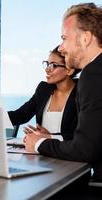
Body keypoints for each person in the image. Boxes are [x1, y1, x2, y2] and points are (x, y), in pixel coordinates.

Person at [25, 3, 102, 182]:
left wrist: (38, 143)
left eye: (64, 38)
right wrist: (51, 137)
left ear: (85, 38)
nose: (61, 47)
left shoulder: (93, 74)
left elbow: (85, 150)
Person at [8, 46, 80, 141]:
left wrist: (49, 136)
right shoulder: (44, 89)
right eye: (47, 64)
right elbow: (21, 115)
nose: (47, 69)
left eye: (53, 65)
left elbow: (83, 136)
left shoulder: (82, 93)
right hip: (43, 152)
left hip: (69, 153)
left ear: (69, 70)